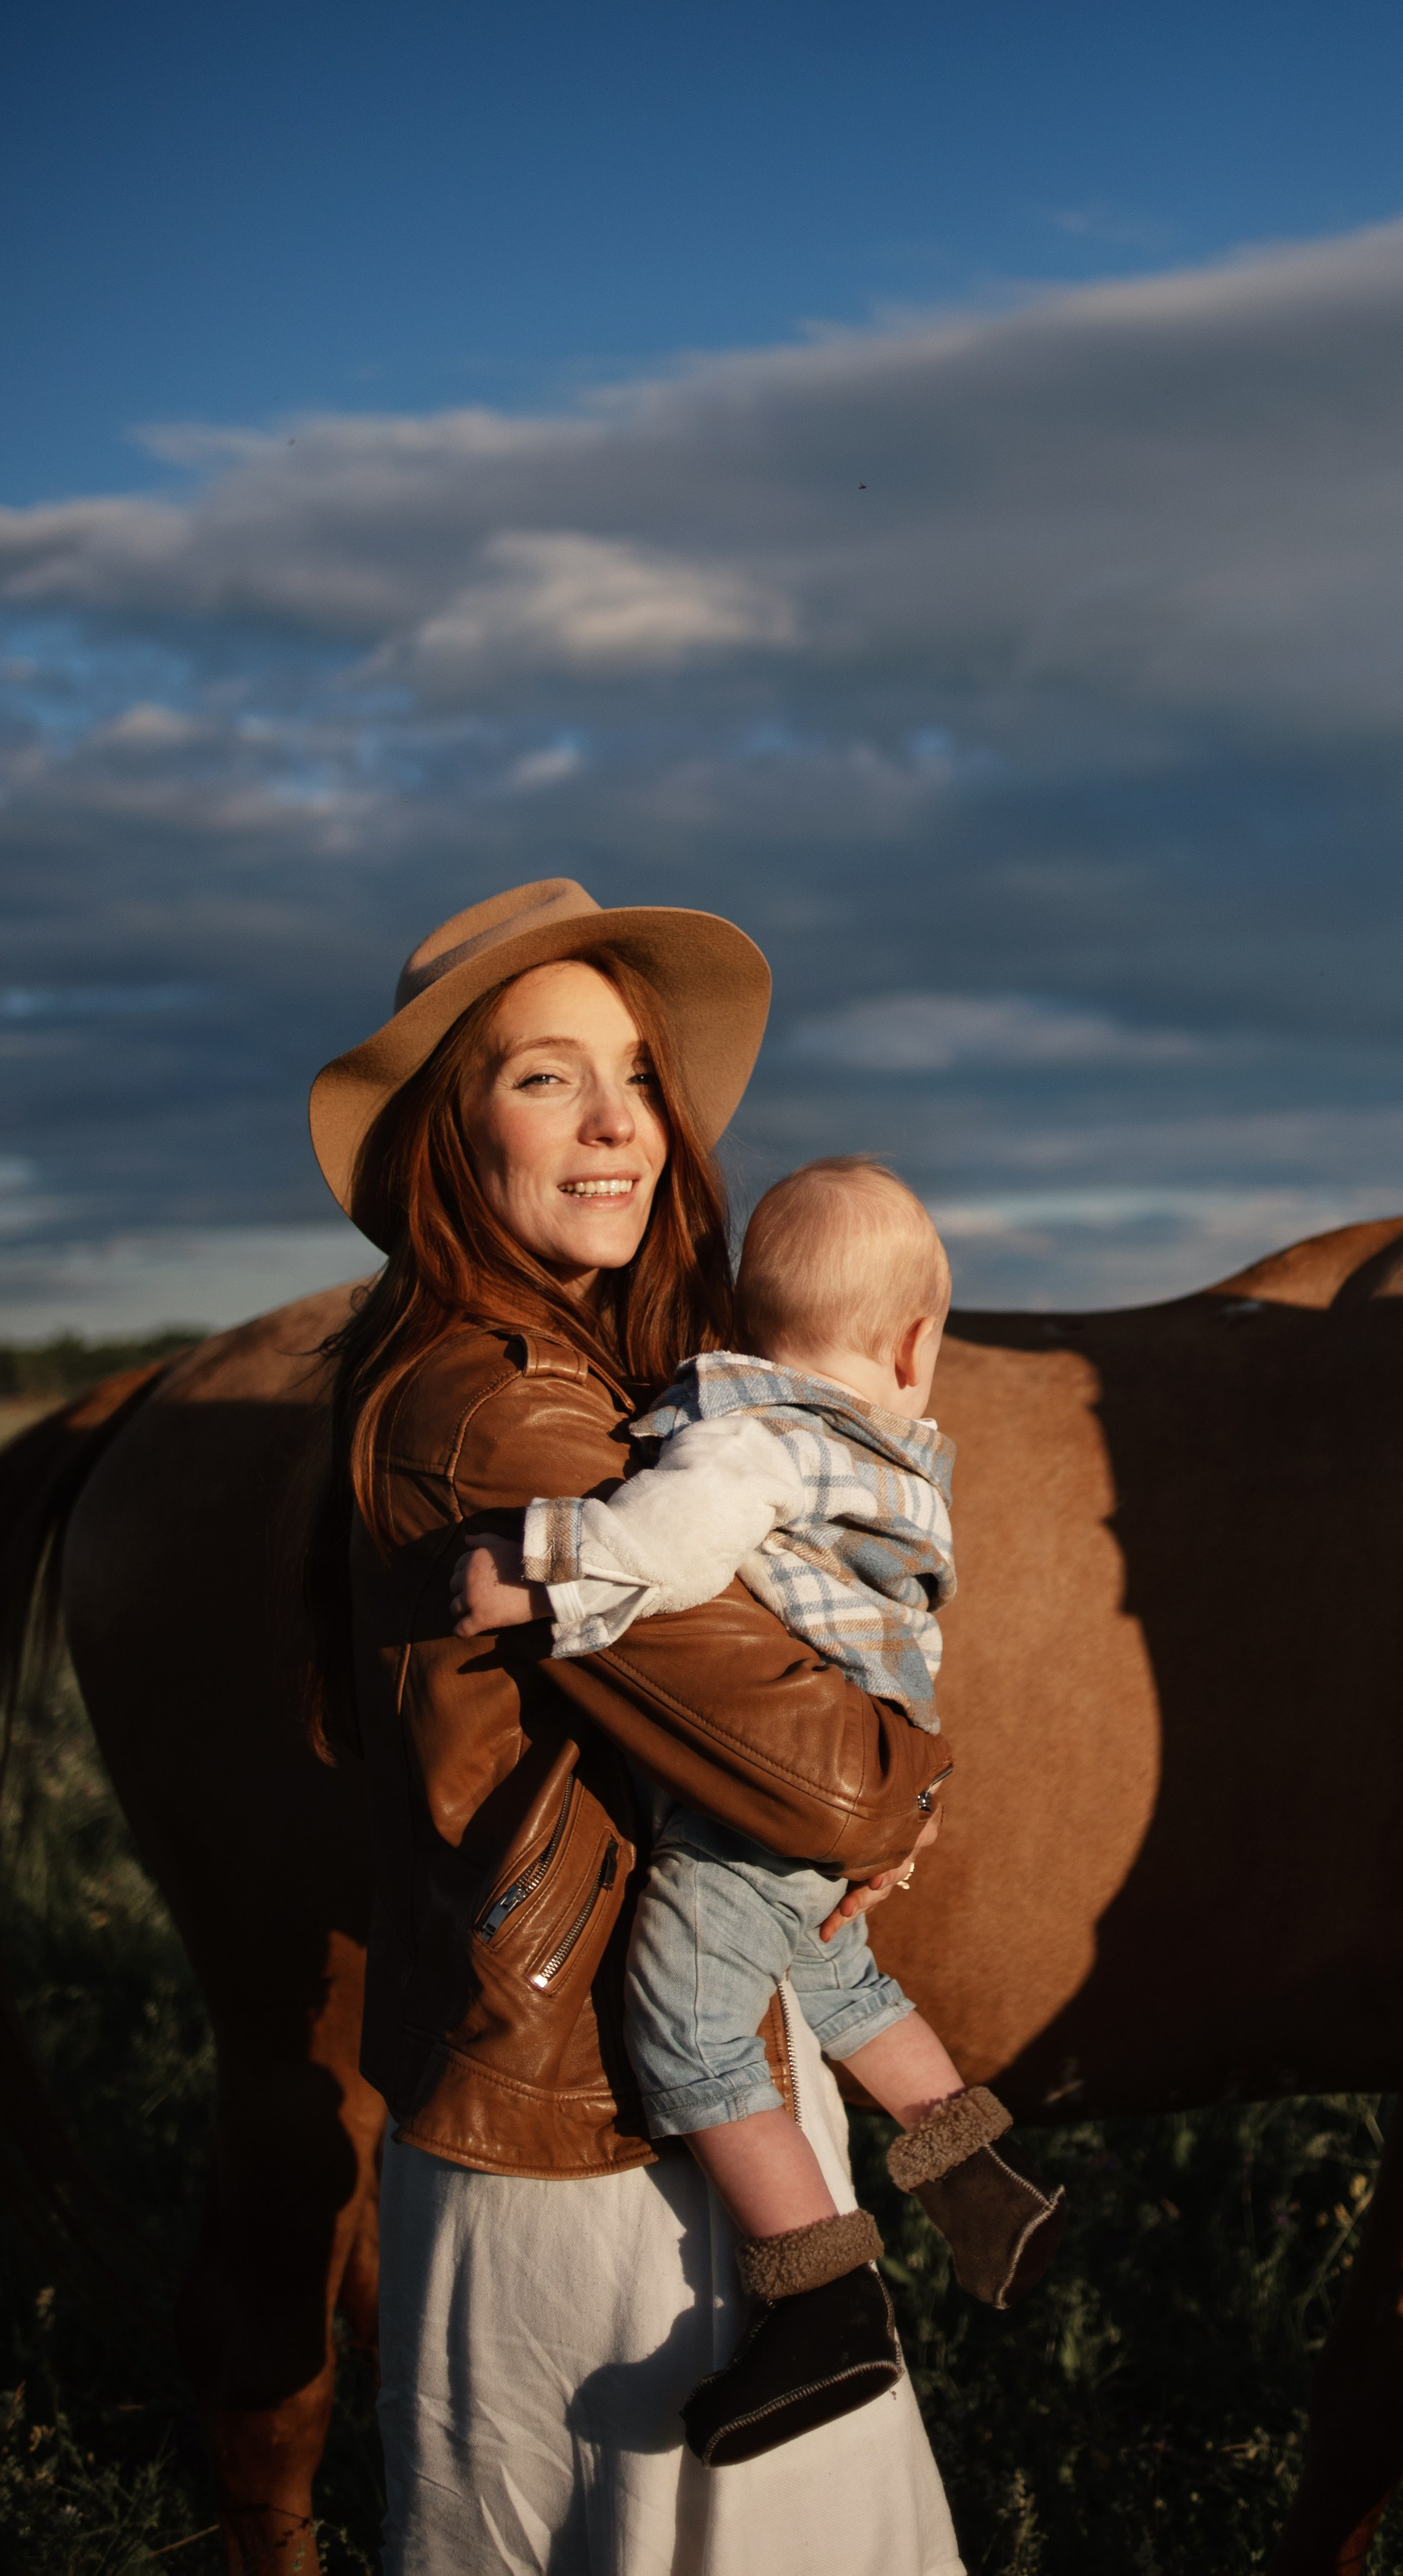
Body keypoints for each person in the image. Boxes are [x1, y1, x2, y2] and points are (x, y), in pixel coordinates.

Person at [306, 877, 968, 2575]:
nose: (619, 1126)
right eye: (547, 1078)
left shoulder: (604, 1383)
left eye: (638, 1077)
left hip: (658, 2072)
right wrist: (906, 1798)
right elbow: (828, 1789)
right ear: (452, 1134)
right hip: (592, 2133)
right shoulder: (501, 1418)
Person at [451, 1157, 1066, 2465]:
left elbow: (670, 1547)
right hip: (864, 1773)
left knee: (683, 2019)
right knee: (835, 1976)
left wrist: (539, 1573)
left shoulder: (756, 1439)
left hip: (758, 1805)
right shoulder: (892, 1462)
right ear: (915, 1346)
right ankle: (976, 2175)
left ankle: (821, 2297)